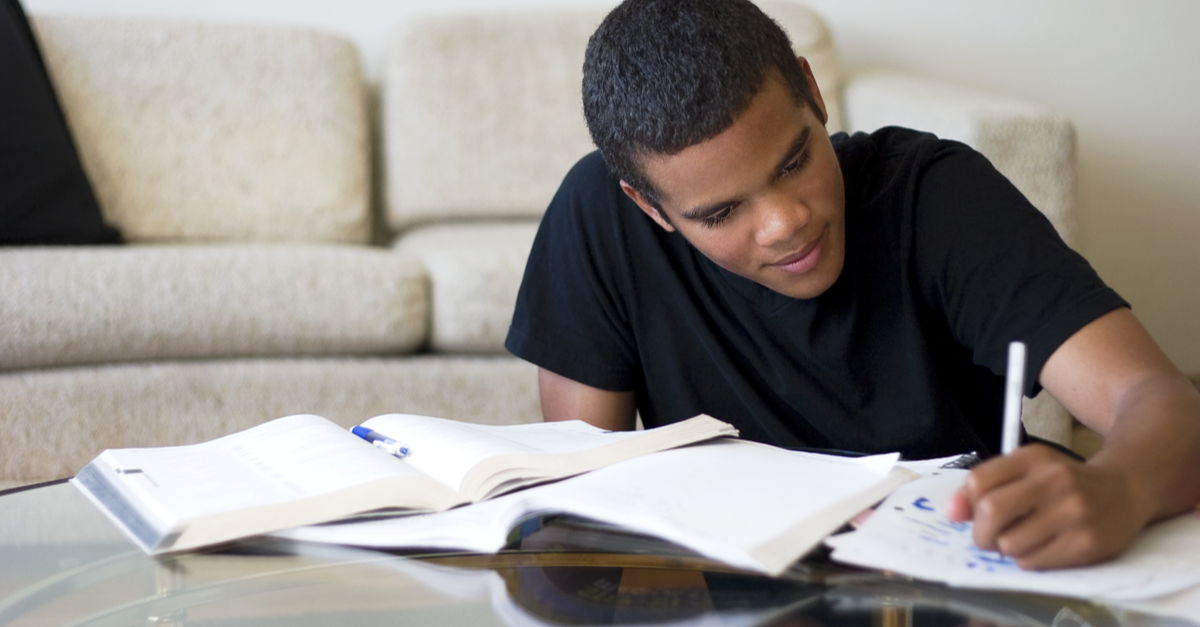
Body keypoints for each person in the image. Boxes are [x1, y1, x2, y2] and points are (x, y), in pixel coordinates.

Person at [505, 0, 1200, 570]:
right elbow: (582, 503)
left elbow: (1163, 401)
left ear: (812, 90)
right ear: (648, 206)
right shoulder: (598, 217)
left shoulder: (936, 197)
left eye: (794, 160)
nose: (784, 224)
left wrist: (1121, 485)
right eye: (720, 213)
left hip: (964, 581)